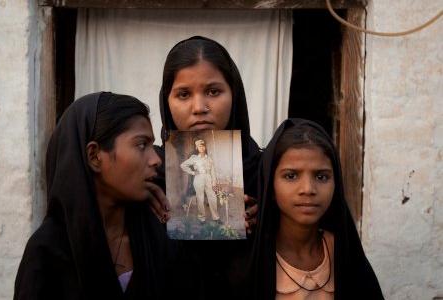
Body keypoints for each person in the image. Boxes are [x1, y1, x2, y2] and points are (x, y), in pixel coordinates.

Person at [14, 92, 190, 299]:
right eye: (142, 145)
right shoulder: (47, 254)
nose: (155, 160)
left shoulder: (157, 233)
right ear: (94, 156)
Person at [152, 36, 262, 298]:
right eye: (183, 94)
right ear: (166, 100)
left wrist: (270, 219)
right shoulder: (149, 176)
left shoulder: (267, 172)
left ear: (234, 94)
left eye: (213, 91)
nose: (199, 107)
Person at [249, 118, 383, 299]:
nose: (308, 189)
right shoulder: (249, 261)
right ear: (270, 186)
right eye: (291, 176)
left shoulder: (344, 253)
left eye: (321, 177)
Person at [180, 138, 219, 222]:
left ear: (205, 147)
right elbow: (183, 165)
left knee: (212, 197)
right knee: (200, 198)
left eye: (203, 146)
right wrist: (193, 173)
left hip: (208, 178)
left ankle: (216, 218)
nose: (202, 148)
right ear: (197, 148)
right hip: (198, 179)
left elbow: (213, 171)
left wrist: (214, 182)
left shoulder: (209, 158)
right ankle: (202, 218)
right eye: (200, 146)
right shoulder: (194, 158)